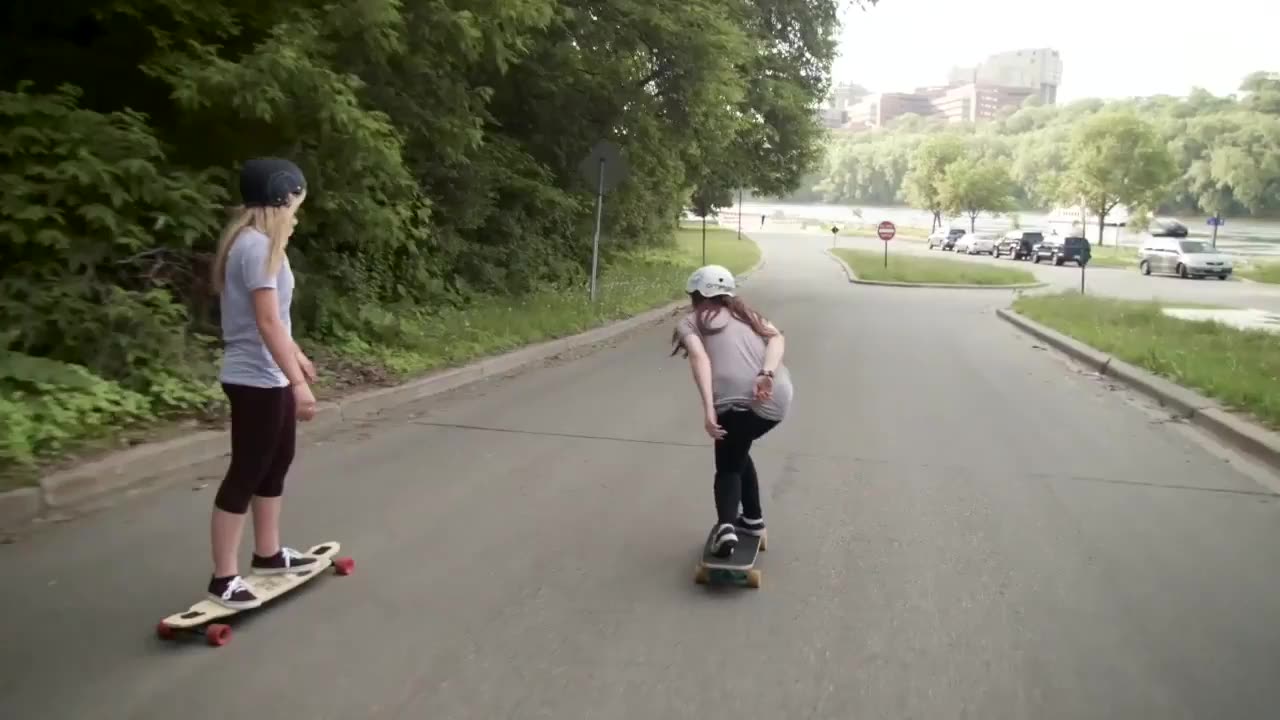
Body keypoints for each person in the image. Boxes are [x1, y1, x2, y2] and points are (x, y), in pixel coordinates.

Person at [205, 157, 319, 609]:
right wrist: (297, 383)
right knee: (247, 472)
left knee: (276, 463)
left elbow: (277, 324)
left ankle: (268, 554)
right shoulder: (256, 248)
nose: (298, 210)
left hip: (268, 373)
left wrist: (297, 357)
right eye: (297, 200)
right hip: (255, 379)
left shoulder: (262, 244)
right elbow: (267, 323)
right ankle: (223, 578)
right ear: (281, 197)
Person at [671, 265, 793, 557]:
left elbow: (700, 359)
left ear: (696, 295)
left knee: (727, 466)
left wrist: (709, 410)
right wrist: (767, 372)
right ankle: (752, 520)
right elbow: (777, 338)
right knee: (738, 450)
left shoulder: (689, 323)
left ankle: (726, 528)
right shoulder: (745, 314)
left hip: (738, 402)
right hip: (777, 398)